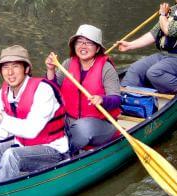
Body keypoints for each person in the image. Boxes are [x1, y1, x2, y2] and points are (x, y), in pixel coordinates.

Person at [0, 45, 69, 188]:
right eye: (5, 67)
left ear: (26, 69)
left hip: (53, 151)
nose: (10, 72)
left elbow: (31, 130)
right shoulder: (5, 91)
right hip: (21, 145)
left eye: (15, 66)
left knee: (12, 155)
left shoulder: (43, 90)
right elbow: (4, 128)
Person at [45, 24, 121, 154]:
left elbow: (116, 99)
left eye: (89, 43)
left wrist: (102, 100)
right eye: (79, 42)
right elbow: (51, 91)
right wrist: (50, 70)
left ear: (97, 48)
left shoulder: (106, 68)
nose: (83, 46)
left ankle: (63, 155)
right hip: (69, 120)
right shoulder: (67, 64)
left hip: (99, 124)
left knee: (82, 128)